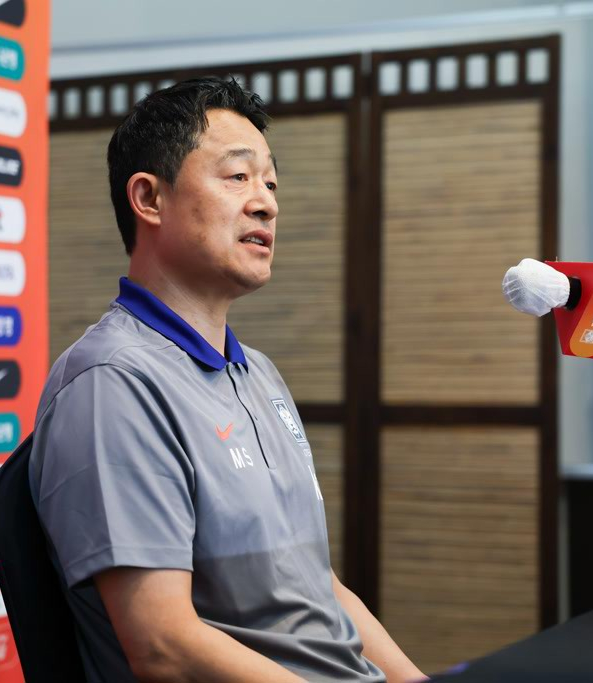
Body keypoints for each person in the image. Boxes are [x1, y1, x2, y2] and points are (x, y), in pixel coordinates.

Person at [29, 77, 427, 683]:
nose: (267, 201)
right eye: (238, 176)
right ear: (149, 198)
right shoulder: (114, 383)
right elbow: (164, 646)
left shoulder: (259, 373)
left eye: (270, 182)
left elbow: (320, 589)